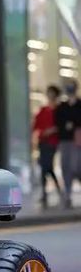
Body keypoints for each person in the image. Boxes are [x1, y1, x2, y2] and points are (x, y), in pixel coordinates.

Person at [33, 85, 62, 208]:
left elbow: (61, 125)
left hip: (53, 142)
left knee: (47, 166)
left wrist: (52, 130)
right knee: (46, 168)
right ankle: (54, 192)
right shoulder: (43, 109)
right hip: (43, 142)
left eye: (51, 93)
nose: (50, 95)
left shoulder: (59, 110)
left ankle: (48, 193)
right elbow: (36, 124)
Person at [54, 80, 81, 208]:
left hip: (77, 141)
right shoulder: (62, 106)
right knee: (65, 167)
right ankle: (68, 194)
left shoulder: (79, 104)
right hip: (65, 140)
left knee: (75, 166)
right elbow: (58, 121)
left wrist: (73, 123)